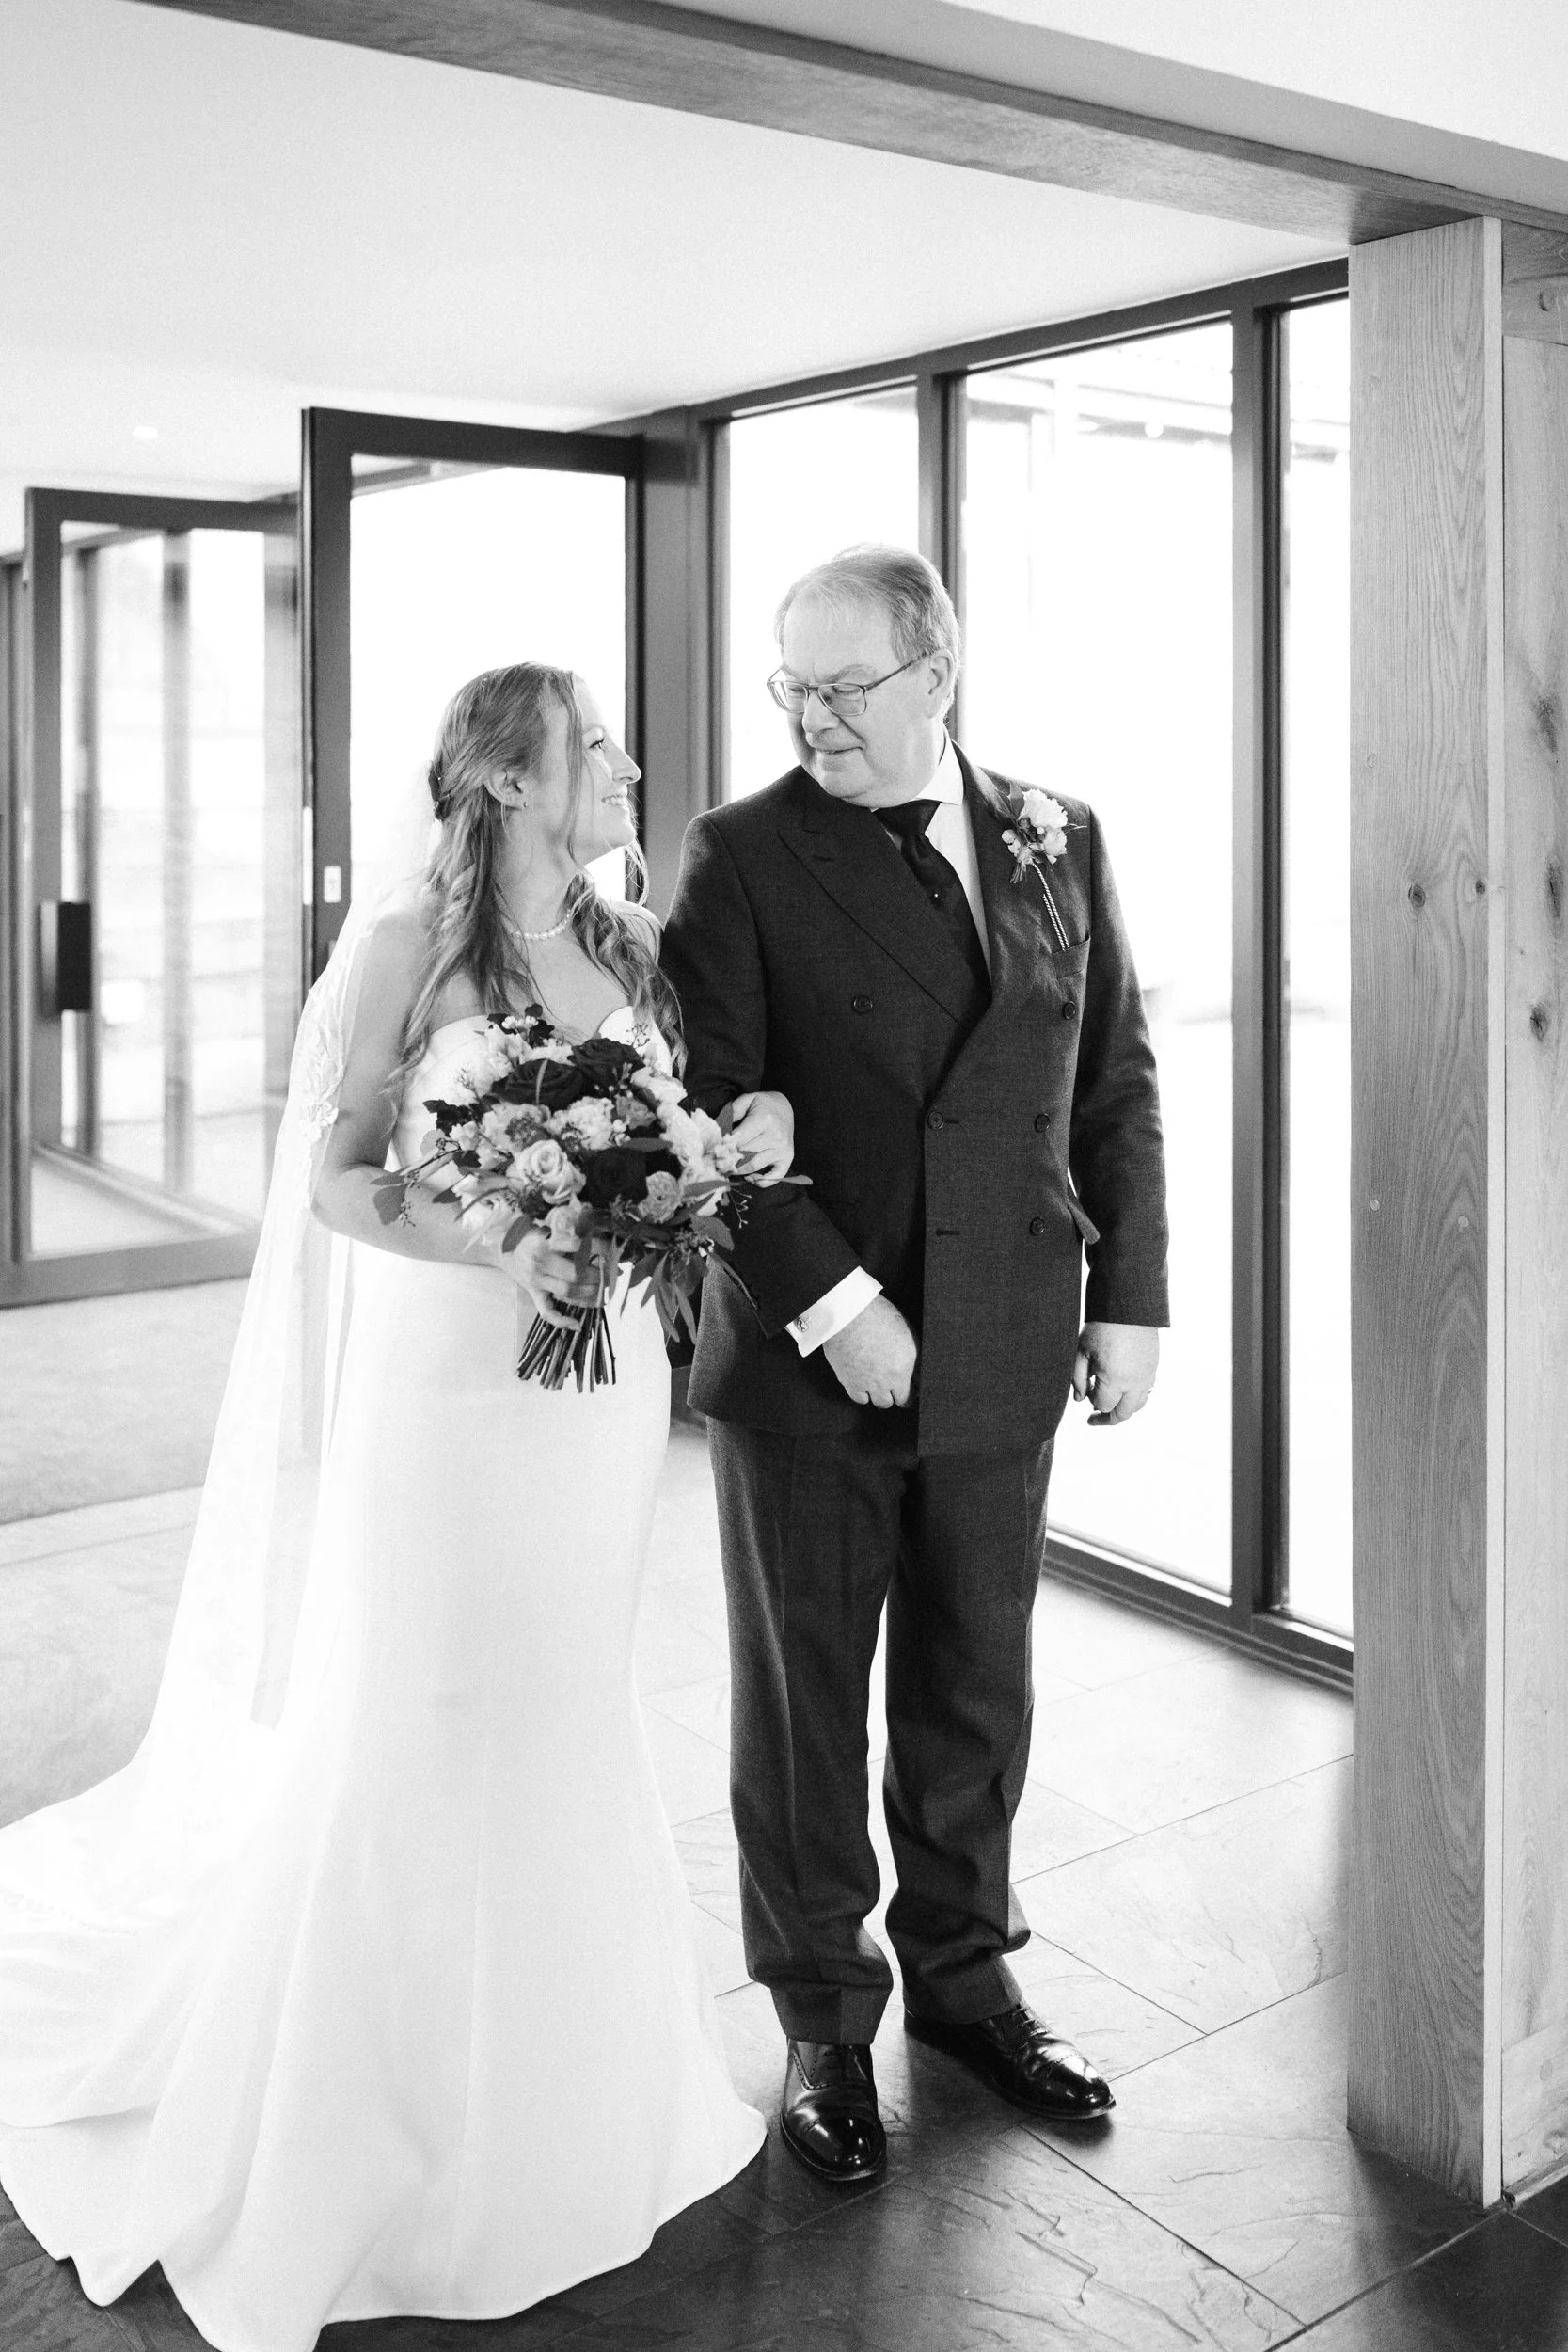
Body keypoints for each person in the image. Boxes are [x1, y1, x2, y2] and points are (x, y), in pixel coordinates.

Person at [0, 663, 790, 2350]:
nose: (631, 767)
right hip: (445, 1395)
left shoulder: (633, 944)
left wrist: (705, 1165)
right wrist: (491, 1233)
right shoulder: (400, 955)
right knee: (426, 1702)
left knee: (568, 1705)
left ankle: (576, 2092)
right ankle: (380, 2123)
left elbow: (674, 1135)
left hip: (598, 1410)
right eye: (599, 746)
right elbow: (337, 1177)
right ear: (507, 777)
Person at [661, 545, 1168, 2184]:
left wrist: (1131, 1296)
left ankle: (963, 1978)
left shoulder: (1055, 833)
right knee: (805, 1700)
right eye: (788, 687)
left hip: (1012, 1325)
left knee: (974, 1674)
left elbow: (1114, 1077)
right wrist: (834, 1306)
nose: (809, 715)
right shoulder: (738, 852)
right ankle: (822, 2016)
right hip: (817, 1357)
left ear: (937, 674)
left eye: (843, 685)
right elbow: (707, 1114)